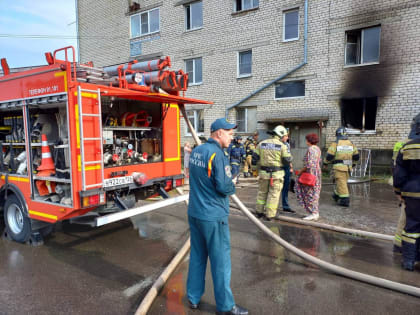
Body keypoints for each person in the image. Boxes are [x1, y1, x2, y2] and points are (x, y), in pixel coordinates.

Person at [187, 117, 248, 315]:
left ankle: (193, 298)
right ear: (219, 133)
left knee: (197, 256)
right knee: (220, 261)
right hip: (213, 216)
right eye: (229, 133)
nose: (232, 137)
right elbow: (223, 186)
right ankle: (226, 307)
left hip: (195, 213)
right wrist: (233, 184)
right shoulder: (218, 155)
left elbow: (191, 174)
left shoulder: (197, 150)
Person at [393, 113, 420, 271]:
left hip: (413, 193)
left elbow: (399, 173)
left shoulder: (407, 146)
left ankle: (409, 261)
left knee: (412, 227)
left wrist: (398, 191)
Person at [252, 125, 292, 221]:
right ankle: (270, 215)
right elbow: (287, 160)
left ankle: (259, 212)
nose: (286, 138)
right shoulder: (282, 146)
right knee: (273, 195)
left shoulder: (261, 144)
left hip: (263, 174)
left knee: (262, 193)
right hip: (276, 175)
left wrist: (254, 170)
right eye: (285, 135)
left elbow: (254, 159)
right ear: (281, 135)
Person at [323, 127, 359, 207]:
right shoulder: (351, 143)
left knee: (341, 183)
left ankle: (344, 200)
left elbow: (329, 156)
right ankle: (336, 195)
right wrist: (353, 164)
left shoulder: (336, 143)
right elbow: (356, 156)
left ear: (337, 134)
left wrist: (325, 163)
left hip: (339, 168)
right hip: (348, 168)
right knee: (342, 183)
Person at [295, 133, 322, 221]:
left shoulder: (310, 149)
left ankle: (313, 213)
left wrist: (300, 171)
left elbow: (309, 164)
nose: (306, 141)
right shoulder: (318, 149)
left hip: (310, 173)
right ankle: (315, 212)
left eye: (306, 140)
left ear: (309, 141)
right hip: (316, 173)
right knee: (315, 193)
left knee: (309, 193)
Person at [279, 131, 295, 213]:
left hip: (286, 167)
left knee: (286, 187)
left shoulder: (287, 145)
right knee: (276, 187)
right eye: (286, 136)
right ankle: (273, 206)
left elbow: (288, 156)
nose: (287, 138)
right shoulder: (277, 144)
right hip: (278, 167)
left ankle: (285, 206)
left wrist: (291, 166)